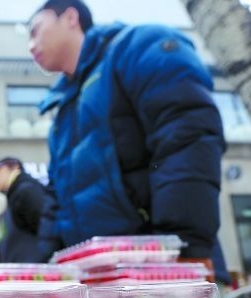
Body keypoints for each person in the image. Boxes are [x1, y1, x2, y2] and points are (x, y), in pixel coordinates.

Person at [28, 1, 226, 278]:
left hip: (164, 272)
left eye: (35, 30)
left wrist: (184, 246)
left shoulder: (138, 47)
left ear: (70, 17)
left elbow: (185, 139)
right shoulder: (62, 112)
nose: (31, 46)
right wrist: (45, 273)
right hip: (97, 279)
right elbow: (55, 199)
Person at [0, 157, 46, 262]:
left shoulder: (26, 190)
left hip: (31, 267)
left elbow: (44, 229)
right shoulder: (15, 194)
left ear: (15, 168)